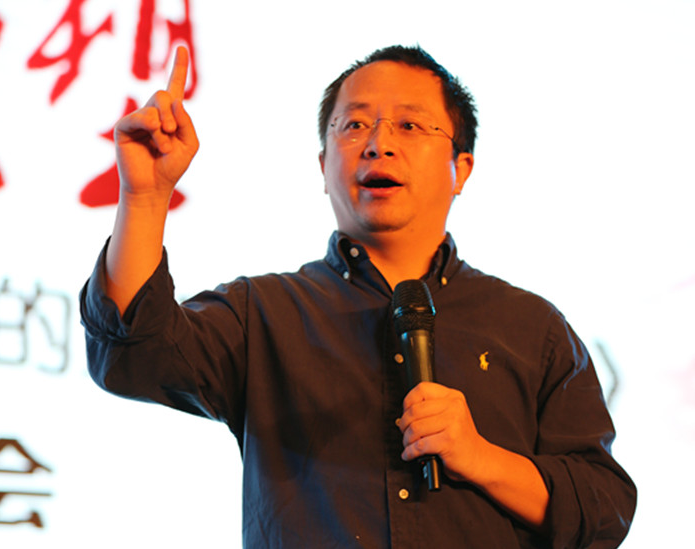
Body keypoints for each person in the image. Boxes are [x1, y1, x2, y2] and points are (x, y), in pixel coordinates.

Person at [80, 45, 636, 547]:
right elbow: (134, 355)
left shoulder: (531, 328)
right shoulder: (264, 315)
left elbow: (603, 509)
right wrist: (145, 197)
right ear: (324, 166)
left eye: (410, 125)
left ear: (461, 168)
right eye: (354, 125)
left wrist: (480, 457)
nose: (378, 144)